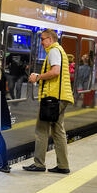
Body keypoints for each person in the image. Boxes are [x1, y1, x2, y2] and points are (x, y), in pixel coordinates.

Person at [23, 29, 74, 174]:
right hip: (61, 96)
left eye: (43, 39)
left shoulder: (53, 51)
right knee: (58, 131)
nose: (42, 42)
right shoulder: (60, 50)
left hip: (53, 98)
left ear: (50, 39)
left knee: (41, 129)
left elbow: (55, 71)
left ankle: (39, 164)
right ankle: (63, 165)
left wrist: (37, 77)